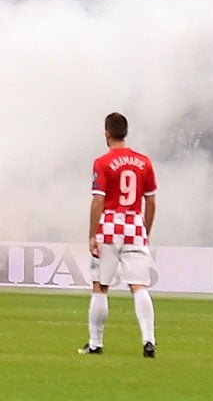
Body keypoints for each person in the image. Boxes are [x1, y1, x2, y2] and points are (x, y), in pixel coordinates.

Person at [80, 112, 158, 359]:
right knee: (139, 286)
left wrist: (92, 234)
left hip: (110, 226)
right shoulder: (144, 162)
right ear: (126, 132)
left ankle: (96, 343)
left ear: (107, 133)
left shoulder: (102, 162)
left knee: (100, 286)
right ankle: (149, 339)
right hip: (135, 226)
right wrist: (144, 230)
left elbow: (98, 201)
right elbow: (152, 201)